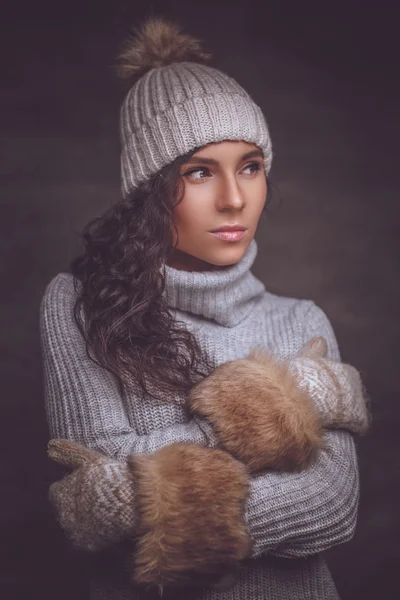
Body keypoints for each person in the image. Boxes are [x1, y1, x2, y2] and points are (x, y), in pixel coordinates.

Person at [40, 16, 370, 600]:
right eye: (199, 172)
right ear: (148, 190)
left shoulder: (303, 320)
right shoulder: (79, 307)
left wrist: (170, 499)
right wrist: (279, 402)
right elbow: (107, 522)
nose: (234, 198)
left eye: (250, 166)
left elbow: (334, 507)